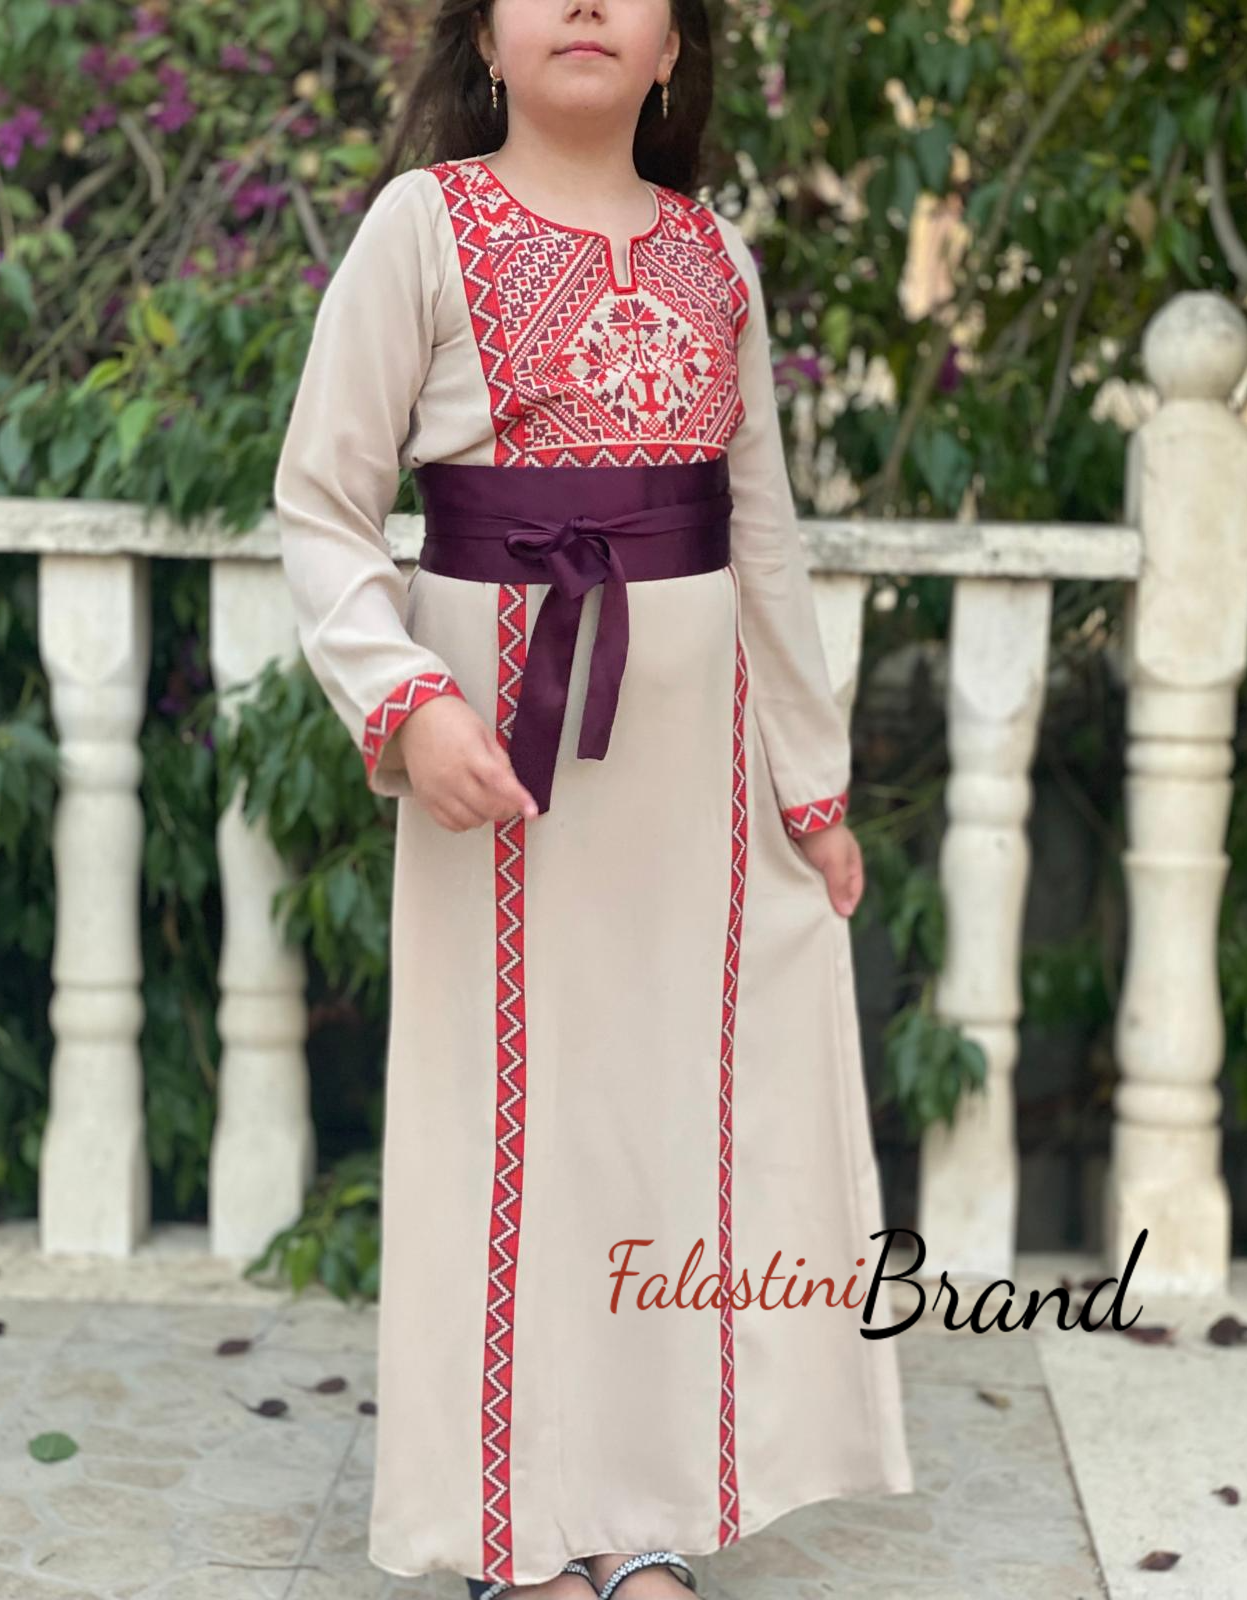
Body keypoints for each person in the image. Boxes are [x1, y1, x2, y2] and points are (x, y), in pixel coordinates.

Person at [272, 2, 915, 1597]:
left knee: (665, 1124)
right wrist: (406, 701)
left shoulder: (717, 258)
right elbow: (322, 501)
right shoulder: (423, 229)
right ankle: (509, 1530)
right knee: (509, 1122)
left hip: (697, 777)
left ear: (674, 48)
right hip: (504, 758)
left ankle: (641, 1511)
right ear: (485, 43)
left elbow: (763, 537)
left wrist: (812, 784)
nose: (582, 3)